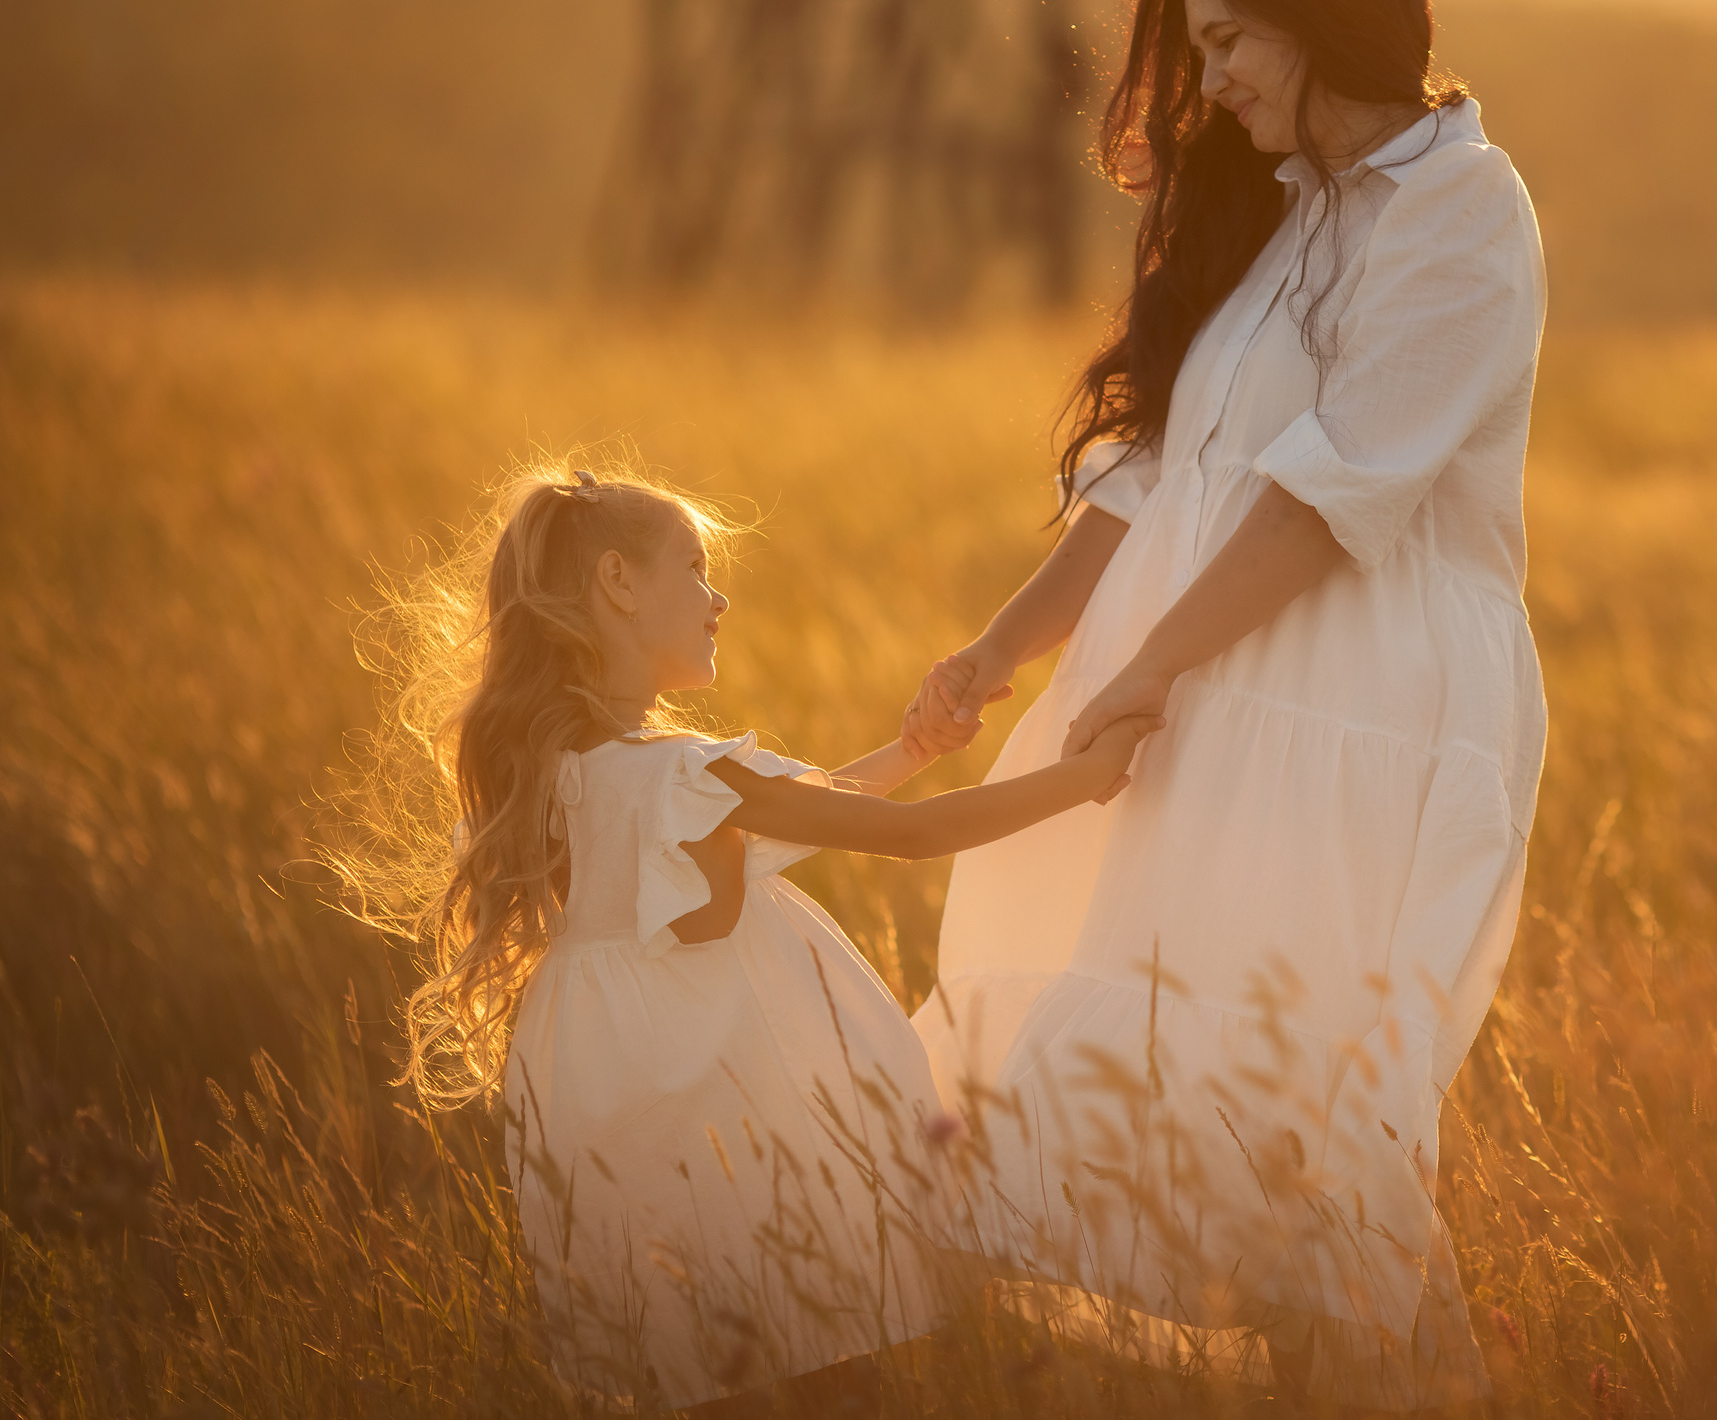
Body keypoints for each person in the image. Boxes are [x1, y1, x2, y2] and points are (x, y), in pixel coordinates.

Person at [903, 0, 1548, 1407]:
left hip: (1355, 723)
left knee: (1313, 1130)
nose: (1214, 81)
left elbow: (1328, 503)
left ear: (1321, 22)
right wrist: (998, 655)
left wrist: (1144, 675)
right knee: (1174, 1092)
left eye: (1230, 39)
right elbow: (1160, 478)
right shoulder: (1287, 216)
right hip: (1210, 704)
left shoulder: (1462, 209)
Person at [338, 460, 1158, 1413]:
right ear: (617, 584)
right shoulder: (685, 773)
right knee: (808, 1346)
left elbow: (790, 813)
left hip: (604, 1094)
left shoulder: (557, 769)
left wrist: (911, 751)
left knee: (696, 1361)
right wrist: (1087, 774)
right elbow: (915, 837)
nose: (716, 595)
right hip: (728, 1099)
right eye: (693, 567)